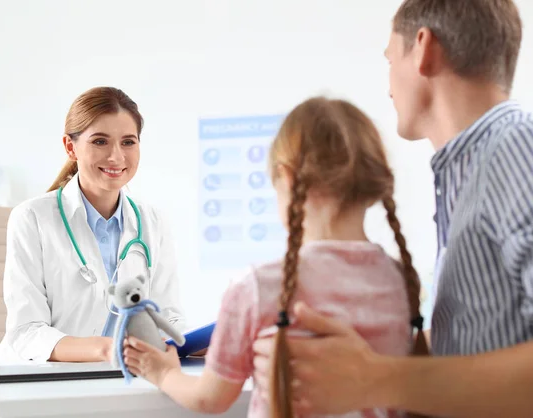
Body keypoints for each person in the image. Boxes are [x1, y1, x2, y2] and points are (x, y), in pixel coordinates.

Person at [253, 1, 533, 417]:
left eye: (389, 58)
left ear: (423, 48)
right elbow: (490, 336)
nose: (387, 85)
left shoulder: (515, 149)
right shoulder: (474, 169)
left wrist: (374, 378)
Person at [120, 97, 427, 417]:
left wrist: (163, 373)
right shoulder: (402, 280)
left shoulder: (258, 286)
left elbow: (210, 398)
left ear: (288, 178)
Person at [0, 87, 185, 363]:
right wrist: (107, 349)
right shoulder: (32, 218)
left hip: (113, 378)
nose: (116, 156)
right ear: (71, 147)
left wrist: (196, 342)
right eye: (100, 142)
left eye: (128, 142)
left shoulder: (153, 222)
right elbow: (26, 332)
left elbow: (167, 317)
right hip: (34, 381)